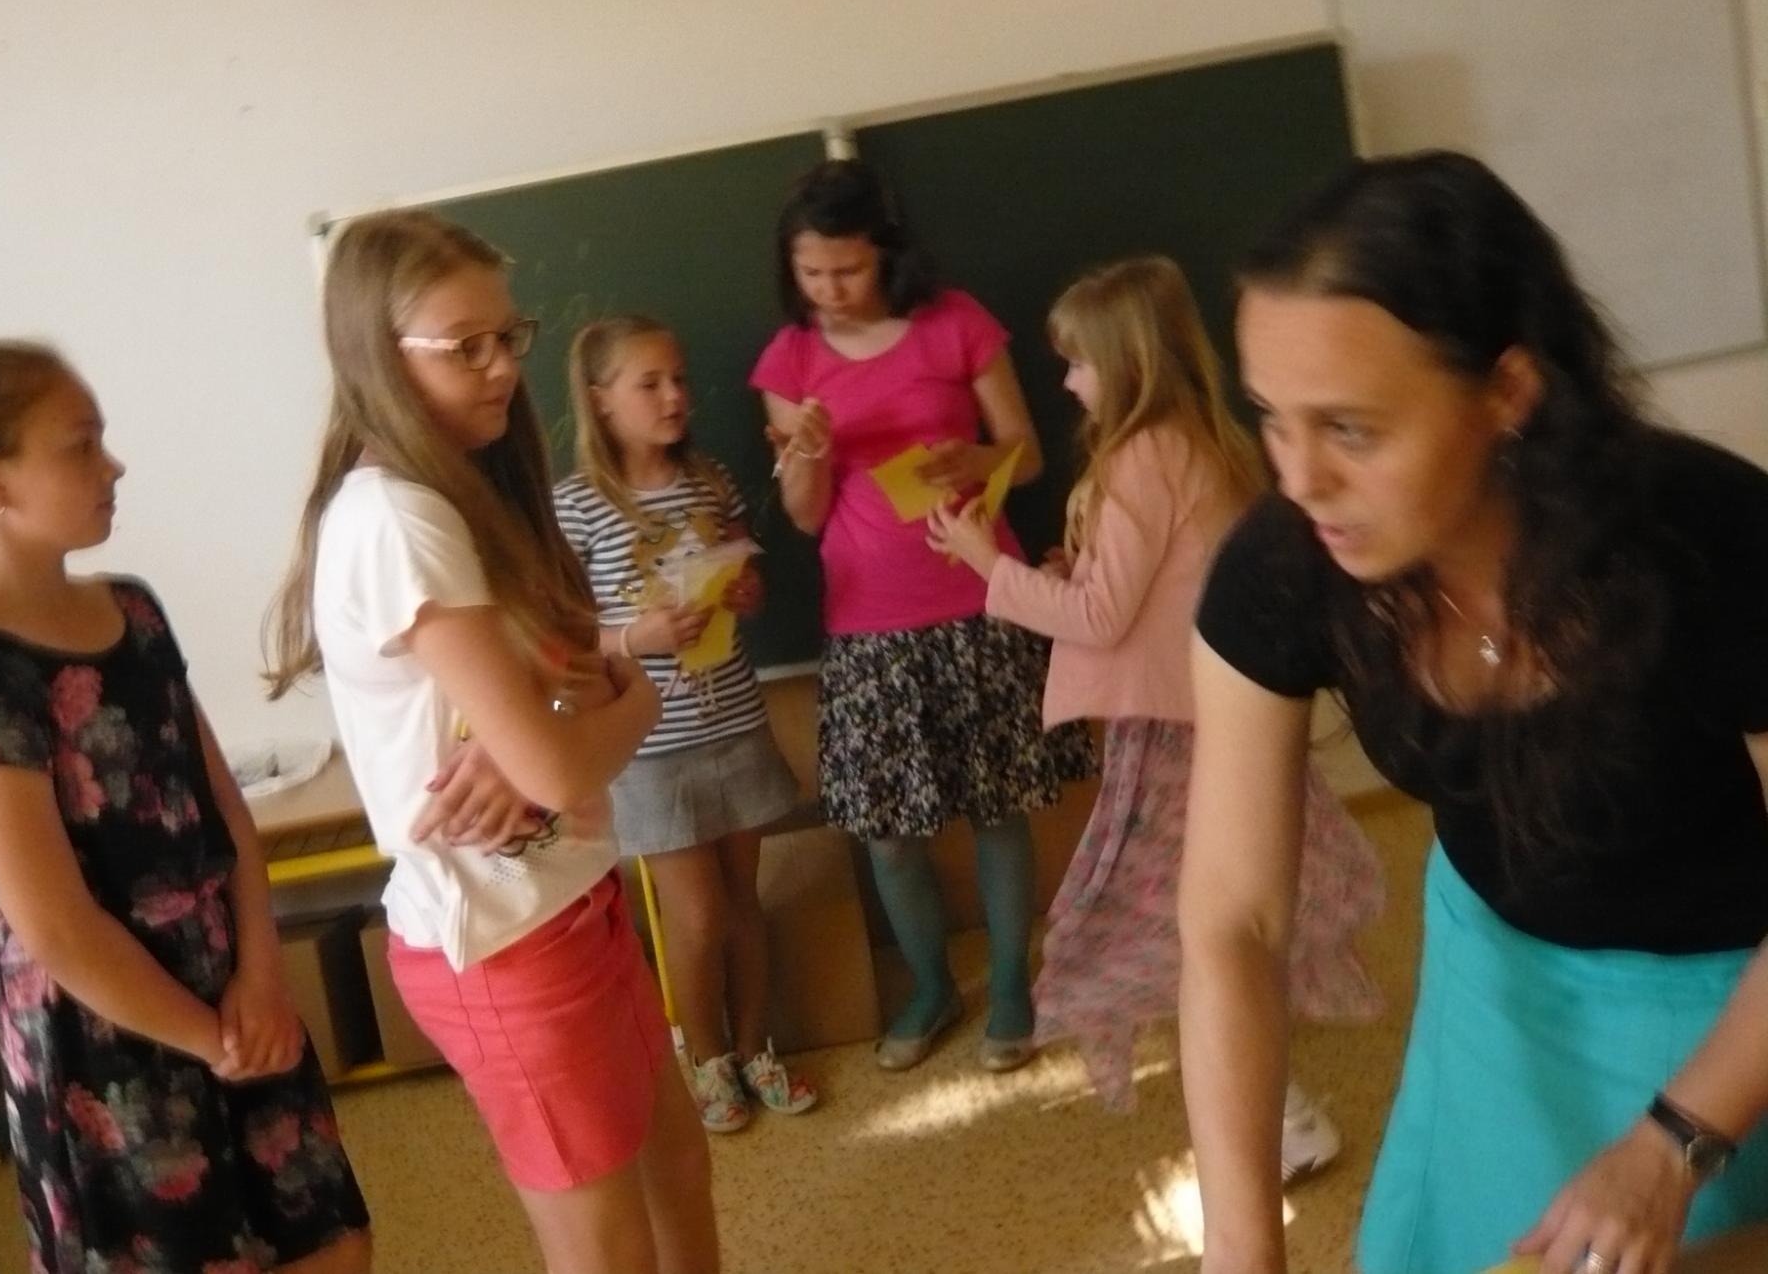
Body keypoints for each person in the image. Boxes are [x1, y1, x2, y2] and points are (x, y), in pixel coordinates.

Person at [1178, 151, 1768, 1274]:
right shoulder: (1286, 561)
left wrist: (1674, 1143)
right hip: (1498, 972)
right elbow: (1234, 918)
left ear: (1506, 393)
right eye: (1271, 418)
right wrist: (1240, 1243)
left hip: (1733, 997)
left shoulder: (1708, 542)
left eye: (1350, 429)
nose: (1298, 478)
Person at [0, 341, 371, 1274]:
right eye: (81, 446)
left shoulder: (133, 610)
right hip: (110, 1051)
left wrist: (262, 980)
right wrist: (216, 1040)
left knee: (335, 1245)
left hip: (234, 996)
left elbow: (226, 817)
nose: (113, 466)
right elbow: (60, 933)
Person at [266, 210, 719, 1274]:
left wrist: (558, 725)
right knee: (607, 1249)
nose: (502, 368)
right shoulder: (395, 517)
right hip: (504, 942)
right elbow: (562, 757)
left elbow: (568, 697)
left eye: (505, 337)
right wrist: (591, 723)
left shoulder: (464, 492)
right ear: (379, 355)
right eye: (462, 346)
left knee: (679, 1171)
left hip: (575, 899)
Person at [927, 256, 1382, 1179]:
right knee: (1212, 919)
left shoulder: (1141, 456)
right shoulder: (1199, 439)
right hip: (1212, 709)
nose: (1067, 382)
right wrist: (1077, 569)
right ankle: (1270, 1112)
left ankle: (1281, 1119)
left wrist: (985, 561)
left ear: (1125, 362)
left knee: (1189, 927)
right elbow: (1151, 586)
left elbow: (1101, 618)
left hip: (1178, 727)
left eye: (1079, 363)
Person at [750, 159, 1089, 1071]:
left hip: (981, 600)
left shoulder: (956, 322)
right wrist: (807, 456)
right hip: (866, 622)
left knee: (997, 807)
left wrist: (976, 462)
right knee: (887, 830)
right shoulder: (791, 358)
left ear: (888, 255)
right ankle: (932, 985)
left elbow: (1026, 456)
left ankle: (1010, 983)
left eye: (848, 270)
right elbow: (805, 517)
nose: (829, 291)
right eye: (811, 274)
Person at [557, 315, 817, 1132]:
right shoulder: (575, 506)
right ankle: (706, 1060)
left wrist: (746, 592)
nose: (675, 397)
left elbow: (752, 589)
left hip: (733, 719)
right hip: (649, 748)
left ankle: (756, 1047)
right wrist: (634, 639)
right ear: (601, 400)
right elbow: (558, 638)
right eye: (650, 384)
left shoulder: (711, 482)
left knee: (743, 902)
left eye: (679, 380)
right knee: (696, 917)